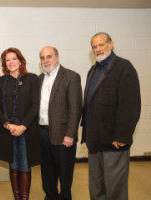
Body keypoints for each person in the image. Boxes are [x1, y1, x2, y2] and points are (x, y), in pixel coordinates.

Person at [81, 32, 141, 200]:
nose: (97, 49)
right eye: (94, 46)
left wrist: (122, 136)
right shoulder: (93, 70)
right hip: (95, 141)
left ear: (111, 44)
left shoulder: (123, 67)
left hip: (114, 141)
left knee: (115, 189)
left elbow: (130, 106)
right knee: (96, 188)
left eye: (101, 44)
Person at [0, 47, 41, 200]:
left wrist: (22, 126)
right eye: (7, 60)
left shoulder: (32, 79)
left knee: (25, 165)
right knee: (13, 165)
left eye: (14, 58)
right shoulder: (1, 82)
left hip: (27, 132)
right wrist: (8, 125)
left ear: (21, 61)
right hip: (8, 132)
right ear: (4, 64)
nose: (11, 62)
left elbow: (35, 105)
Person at [38, 46, 82, 200]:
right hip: (42, 134)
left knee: (64, 174)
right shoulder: (40, 79)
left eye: (49, 57)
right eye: (42, 58)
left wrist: (70, 135)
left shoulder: (71, 77)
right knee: (47, 172)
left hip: (63, 135)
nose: (46, 61)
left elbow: (75, 109)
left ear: (57, 57)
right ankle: (50, 196)